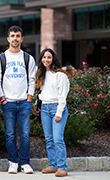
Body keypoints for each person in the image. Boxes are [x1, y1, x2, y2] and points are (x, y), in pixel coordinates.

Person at [0, 25, 36, 174]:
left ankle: (25, 163)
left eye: (18, 36)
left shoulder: (28, 58)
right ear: (8, 39)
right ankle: (13, 162)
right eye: (12, 36)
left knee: (25, 134)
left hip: (24, 102)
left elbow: (32, 79)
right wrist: (3, 99)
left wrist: (29, 98)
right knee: (10, 134)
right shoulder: (1, 58)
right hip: (8, 103)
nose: (15, 38)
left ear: (22, 39)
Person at [36, 48, 70, 177]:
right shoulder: (42, 74)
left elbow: (63, 96)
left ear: (53, 59)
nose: (46, 59)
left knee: (57, 139)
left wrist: (59, 112)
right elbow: (41, 93)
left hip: (57, 107)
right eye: (44, 57)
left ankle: (62, 167)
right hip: (45, 108)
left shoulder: (60, 75)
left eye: (49, 57)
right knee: (49, 139)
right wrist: (37, 105)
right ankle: (52, 165)